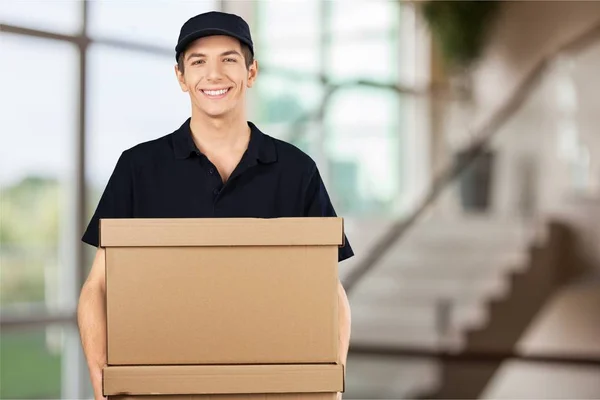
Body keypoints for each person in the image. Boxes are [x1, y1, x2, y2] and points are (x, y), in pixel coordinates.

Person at [77, 11, 353, 400]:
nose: (214, 74)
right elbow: (97, 289)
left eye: (229, 59)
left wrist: (331, 388)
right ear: (181, 77)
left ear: (251, 72)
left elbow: (331, 294)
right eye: (198, 62)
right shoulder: (138, 168)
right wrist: (103, 387)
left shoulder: (296, 171)